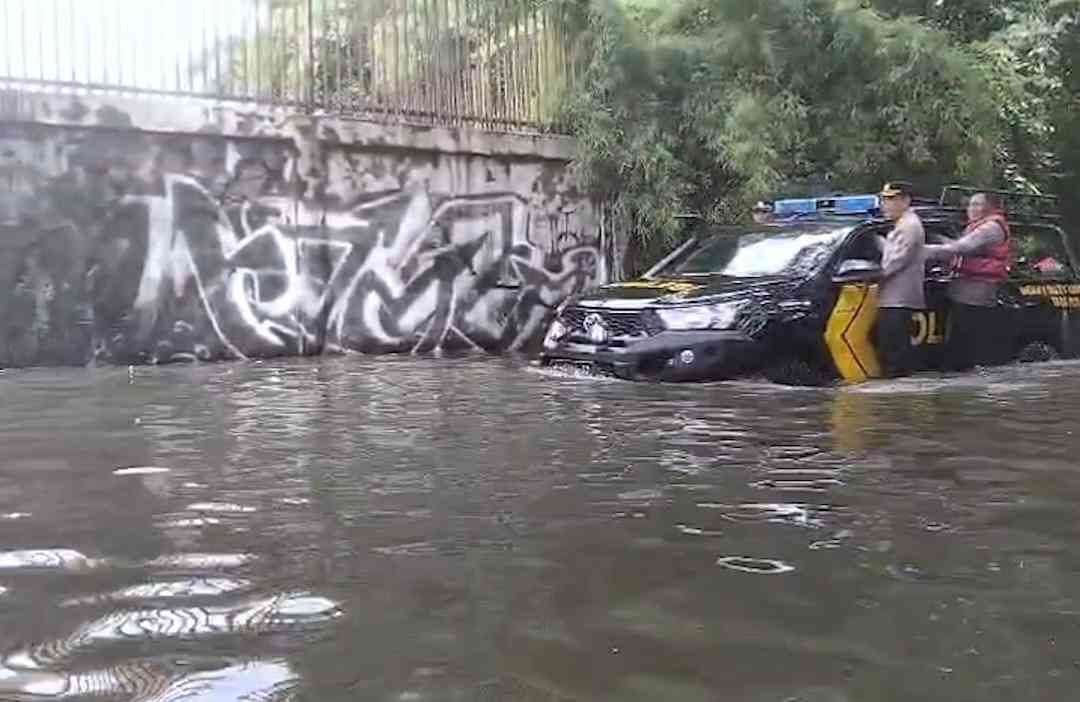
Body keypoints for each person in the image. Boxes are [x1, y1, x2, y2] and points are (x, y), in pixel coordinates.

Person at [925, 191, 1010, 371]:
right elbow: (958, 247)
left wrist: (921, 249)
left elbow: (961, 247)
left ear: (991, 208)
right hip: (965, 291)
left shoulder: (991, 228)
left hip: (976, 294)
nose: (971, 208)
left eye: (977, 204)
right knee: (959, 350)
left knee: (961, 353)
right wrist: (935, 238)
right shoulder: (978, 227)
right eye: (970, 204)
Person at [874, 181, 926, 377]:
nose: (886, 204)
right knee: (892, 348)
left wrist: (872, 277)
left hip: (898, 298)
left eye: (892, 199)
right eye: (884, 200)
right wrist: (875, 240)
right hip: (894, 297)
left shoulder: (909, 226)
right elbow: (891, 249)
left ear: (906, 201)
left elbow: (896, 261)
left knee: (894, 352)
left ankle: (897, 401)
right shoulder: (902, 224)